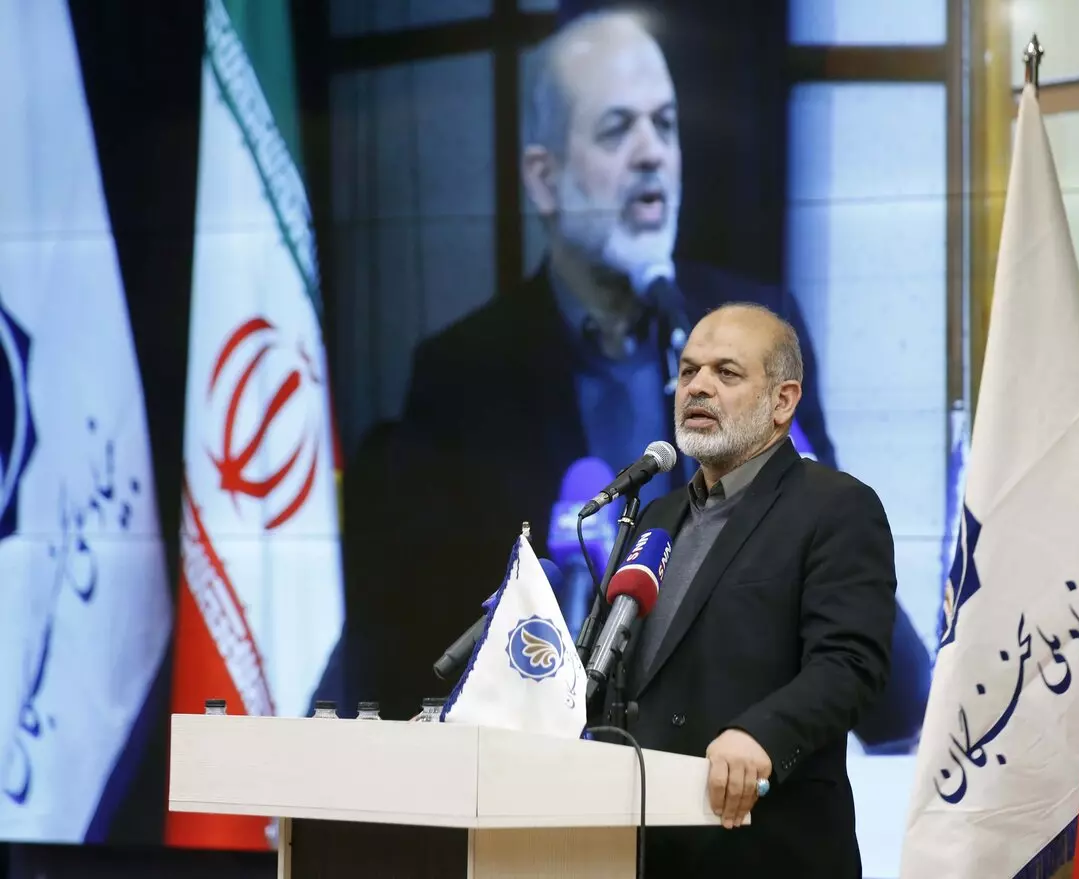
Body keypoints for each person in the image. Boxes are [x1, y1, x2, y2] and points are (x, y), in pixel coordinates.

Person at [338, 10, 929, 753]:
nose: (652, 152)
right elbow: (419, 647)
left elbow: (866, 647)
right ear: (545, 178)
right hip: (549, 779)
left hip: (735, 769)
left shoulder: (757, 328)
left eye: (665, 125)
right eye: (617, 129)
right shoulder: (464, 373)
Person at [607, 302, 895, 878]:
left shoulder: (836, 507)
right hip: (640, 851)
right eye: (688, 371)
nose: (697, 387)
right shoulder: (655, 517)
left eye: (726, 372)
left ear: (783, 401)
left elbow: (849, 664)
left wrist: (760, 733)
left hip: (764, 846)